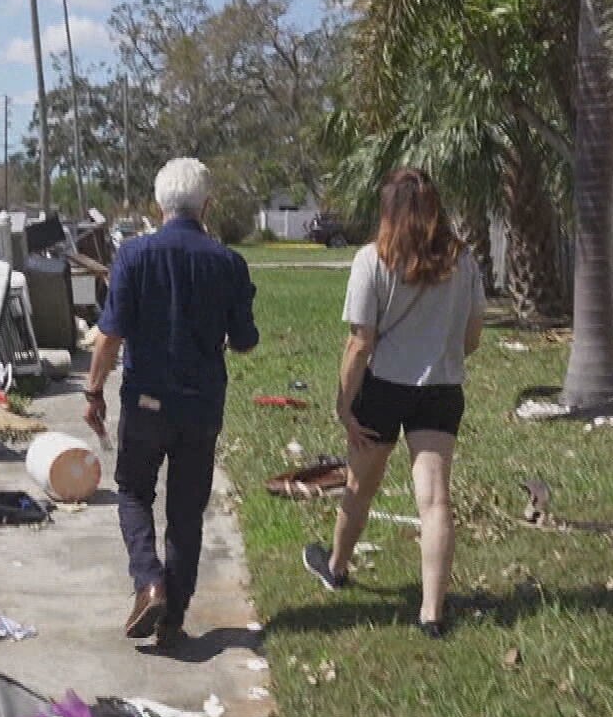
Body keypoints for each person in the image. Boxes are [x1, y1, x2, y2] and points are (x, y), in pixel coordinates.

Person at [303, 168, 485, 638]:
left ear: (389, 211)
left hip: (383, 388)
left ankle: (337, 567)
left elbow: (360, 343)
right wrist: (438, 355)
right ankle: (432, 613)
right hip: (441, 391)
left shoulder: (372, 259)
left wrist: (345, 406)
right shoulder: (463, 262)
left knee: (359, 487)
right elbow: (471, 338)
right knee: (435, 499)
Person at [86, 158, 259, 647]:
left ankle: (149, 580)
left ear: (157, 205)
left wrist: (94, 390)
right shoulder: (228, 263)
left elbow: (109, 335)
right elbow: (245, 340)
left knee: (134, 492)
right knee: (186, 511)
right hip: (201, 406)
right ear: (207, 205)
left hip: (146, 402)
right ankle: (174, 618)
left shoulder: (133, 256)